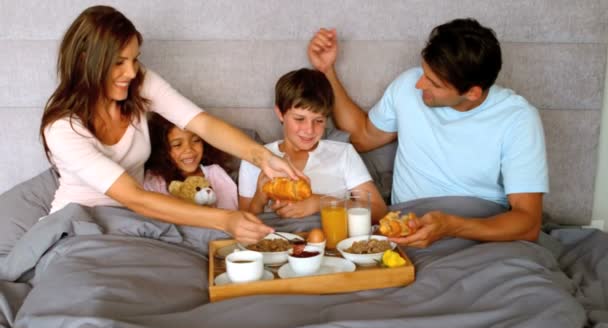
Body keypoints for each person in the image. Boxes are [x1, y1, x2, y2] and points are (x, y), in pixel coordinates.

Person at [39, 5, 304, 244]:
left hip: (135, 223)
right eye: (119, 62)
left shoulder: (138, 83)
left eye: (134, 59)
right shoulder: (62, 128)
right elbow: (135, 197)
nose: (131, 72)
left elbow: (201, 123)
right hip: (82, 225)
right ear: (86, 59)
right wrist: (225, 219)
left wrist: (264, 158)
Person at [307, 18, 549, 247]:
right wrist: (327, 70)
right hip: (409, 225)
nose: (419, 84)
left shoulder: (518, 119)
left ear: (473, 93)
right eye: (424, 72)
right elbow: (361, 136)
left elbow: (528, 222)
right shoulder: (407, 86)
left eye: (434, 83)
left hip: (482, 232)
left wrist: (452, 226)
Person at [238, 68, 387, 221]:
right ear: (280, 113)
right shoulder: (254, 158)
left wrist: (320, 203)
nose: (309, 130)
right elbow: (242, 225)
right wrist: (259, 200)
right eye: (299, 119)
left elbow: (379, 210)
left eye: (319, 121)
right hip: (276, 241)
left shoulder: (343, 153)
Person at [144, 113, 238, 210]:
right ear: (162, 150)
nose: (189, 149)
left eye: (196, 140)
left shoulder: (215, 173)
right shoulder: (155, 179)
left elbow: (230, 212)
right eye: (177, 144)